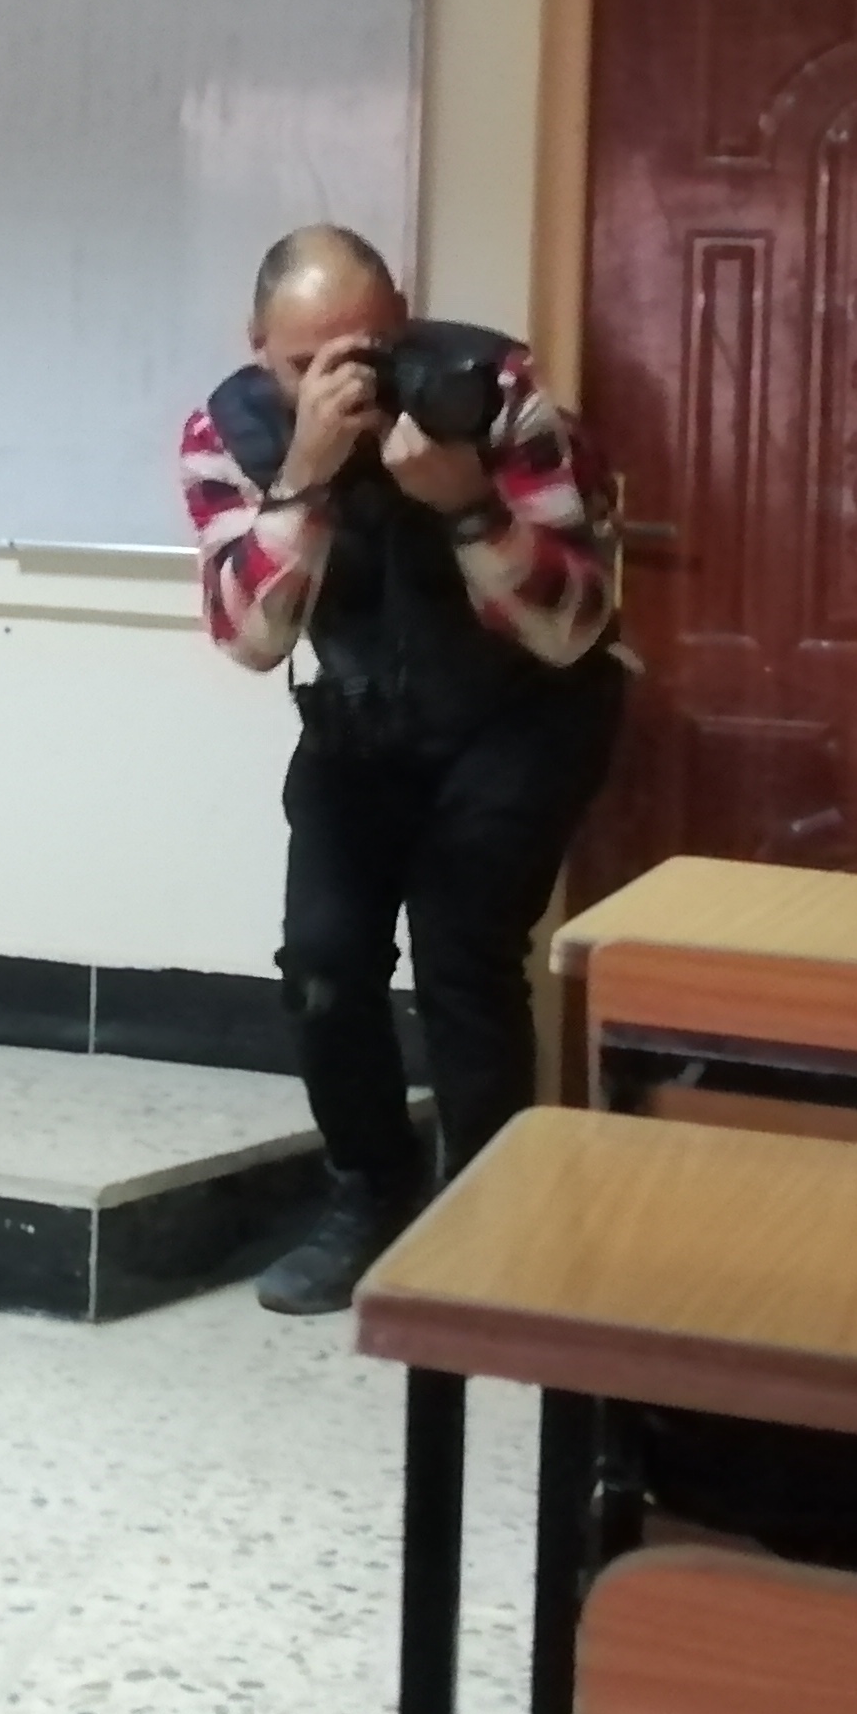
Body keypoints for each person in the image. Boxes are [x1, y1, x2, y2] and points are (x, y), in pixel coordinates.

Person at [181, 225, 628, 1314]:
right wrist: (302, 483)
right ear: (257, 347)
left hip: (523, 712)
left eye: (369, 350)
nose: (346, 384)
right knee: (322, 959)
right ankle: (369, 1197)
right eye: (307, 363)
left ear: (405, 321)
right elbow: (249, 641)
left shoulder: (493, 393)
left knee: (463, 959)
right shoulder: (227, 434)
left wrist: (467, 502)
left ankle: (487, 1233)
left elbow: (571, 628)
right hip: (364, 721)